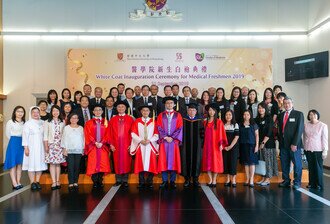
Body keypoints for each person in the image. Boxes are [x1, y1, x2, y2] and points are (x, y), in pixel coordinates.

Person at [278, 97, 304, 190]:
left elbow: (299, 130)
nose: (286, 105)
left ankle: (297, 182)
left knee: (297, 164)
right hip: (283, 145)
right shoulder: (280, 115)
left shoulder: (298, 114)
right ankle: (286, 180)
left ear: (292, 103)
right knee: (284, 163)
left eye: (288, 103)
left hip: (294, 145)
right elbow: (280, 130)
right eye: (285, 103)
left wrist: (295, 143)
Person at [157, 97, 183, 189]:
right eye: (167, 103)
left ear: (174, 104)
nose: (169, 104)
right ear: (165, 104)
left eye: (171, 103)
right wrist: (165, 137)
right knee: (163, 160)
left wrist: (172, 137)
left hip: (173, 142)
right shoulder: (161, 115)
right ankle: (164, 180)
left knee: (174, 161)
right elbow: (159, 127)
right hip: (164, 141)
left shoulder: (178, 115)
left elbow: (180, 128)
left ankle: (172, 181)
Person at [130, 105, 159, 189]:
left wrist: (150, 140)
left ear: (149, 112)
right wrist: (140, 140)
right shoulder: (137, 121)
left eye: (147, 110)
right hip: (141, 145)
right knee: (140, 164)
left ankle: (150, 181)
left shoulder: (153, 122)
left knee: (152, 164)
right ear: (141, 112)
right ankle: (141, 181)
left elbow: (157, 134)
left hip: (150, 145)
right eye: (143, 110)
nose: (145, 112)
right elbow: (133, 133)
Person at [201, 103, 228, 188]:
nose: (211, 112)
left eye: (213, 110)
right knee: (208, 162)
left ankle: (214, 179)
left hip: (216, 146)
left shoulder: (219, 122)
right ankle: (210, 179)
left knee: (215, 162)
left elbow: (222, 134)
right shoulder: (204, 122)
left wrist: (221, 144)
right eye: (209, 110)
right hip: (207, 146)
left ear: (215, 111)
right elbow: (202, 135)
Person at [84, 105, 111, 188]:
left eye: (100, 110)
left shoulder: (106, 122)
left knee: (102, 163)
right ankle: (95, 181)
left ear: (102, 112)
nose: (98, 111)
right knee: (93, 163)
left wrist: (102, 142)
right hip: (93, 146)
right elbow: (87, 134)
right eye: (96, 110)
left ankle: (100, 180)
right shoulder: (89, 123)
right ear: (93, 112)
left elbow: (108, 133)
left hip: (102, 146)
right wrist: (95, 142)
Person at [109, 101, 134, 187]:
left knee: (127, 161)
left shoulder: (130, 119)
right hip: (116, 145)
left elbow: (133, 133)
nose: (120, 108)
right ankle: (118, 180)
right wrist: (111, 144)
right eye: (119, 107)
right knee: (116, 161)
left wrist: (132, 144)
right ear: (116, 108)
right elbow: (110, 132)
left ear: (125, 108)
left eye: (122, 107)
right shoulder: (113, 119)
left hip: (127, 144)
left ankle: (125, 180)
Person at [22, 106, 47, 191]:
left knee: (40, 164)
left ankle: (37, 181)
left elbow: (45, 135)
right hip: (31, 147)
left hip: (41, 147)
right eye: (34, 112)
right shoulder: (27, 123)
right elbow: (25, 136)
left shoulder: (43, 122)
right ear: (31, 113)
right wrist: (26, 147)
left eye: (37, 112)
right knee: (31, 164)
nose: (36, 114)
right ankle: (32, 182)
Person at [303, 109, 328, 190]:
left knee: (318, 167)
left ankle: (319, 184)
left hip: (318, 149)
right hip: (308, 149)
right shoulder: (306, 125)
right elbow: (304, 137)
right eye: (310, 114)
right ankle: (311, 183)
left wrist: (325, 150)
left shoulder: (322, 125)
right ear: (308, 116)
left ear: (317, 115)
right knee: (311, 167)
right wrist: (303, 147)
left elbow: (324, 139)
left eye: (314, 114)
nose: (312, 116)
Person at [255, 102, 278, 186]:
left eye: (262, 108)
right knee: (262, 161)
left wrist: (263, 142)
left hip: (268, 143)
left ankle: (268, 179)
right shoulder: (257, 119)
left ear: (265, 109)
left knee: (268, 161)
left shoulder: (269, 118)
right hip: (260, 143)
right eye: (259, 108)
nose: (260, 109)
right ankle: (264, 177)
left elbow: (269, 131)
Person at [181, 103, 204, 187]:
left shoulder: (200, 121)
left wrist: (201, 144)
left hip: (197, 146)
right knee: (185, 159)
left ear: (196, 111)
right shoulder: (183, 120)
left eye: (193, 110)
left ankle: (195, 179)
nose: (191, 111)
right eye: (190, 110)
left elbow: (202, 134)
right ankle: (186, 179)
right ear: (187, 111)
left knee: (196, 160)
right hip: (185, 145)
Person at [44, 105, 66, 190]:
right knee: (52, 164)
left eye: (57, 111)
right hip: (51, 145)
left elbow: (64, 135)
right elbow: (45, 135)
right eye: (54, 111)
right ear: (51, 112)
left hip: (60, 145)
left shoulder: (62, 121)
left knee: (58, 164)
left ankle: (58, 181)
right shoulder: (47, 122)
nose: (55, 112)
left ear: (59, 112)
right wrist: (46, 146)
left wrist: (64, 147)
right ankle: (53, 182)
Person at [4, 106, 26, 190]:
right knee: (13, 164)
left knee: (19, 164)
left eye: (22, 112)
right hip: (13, 142)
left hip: (22, 143)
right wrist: (14, 141)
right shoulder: (10, 122)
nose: (20, 113)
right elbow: (7, 134)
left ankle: (18, 181)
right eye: (18, 111)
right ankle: (14, 182)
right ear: (14, 112)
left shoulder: (24, 122)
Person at [61, 113, 84, 191]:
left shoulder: (81, 128)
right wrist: (64, 148)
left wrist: (83, 149)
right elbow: (63, 138)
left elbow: (83, 139)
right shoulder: (66, 128)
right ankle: (70, 182)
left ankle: (75, 182)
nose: (74, 120)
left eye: (75, 118)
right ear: (69, 119)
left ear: (78, 119)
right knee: (70, 167)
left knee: (77, 167)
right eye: (72, 118)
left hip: (78, 150)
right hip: (69, 150)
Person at [239, 110, 259, 188]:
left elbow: (257, 135)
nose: (246, 116)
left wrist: (257, 145)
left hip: (252, 145)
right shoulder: (240, 124)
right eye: (244, 114)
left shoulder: (254, 124)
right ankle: (247, 179)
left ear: (250, 116)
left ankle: (251, 179)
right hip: (243, 145)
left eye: (247, 114)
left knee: (252, 163)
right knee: (246, 163)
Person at [223, 109, 240, 188]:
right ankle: (227, 179)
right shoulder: (222, 124)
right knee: (226, 163)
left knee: (233, 163)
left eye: (230, 115)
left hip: (233, 147)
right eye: (226, 115)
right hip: (225, 147)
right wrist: (224, 146)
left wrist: (230, 146)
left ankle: (233, 180)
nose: (228, 116)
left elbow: (236, 137)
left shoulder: (235, 124)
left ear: (232, 116)